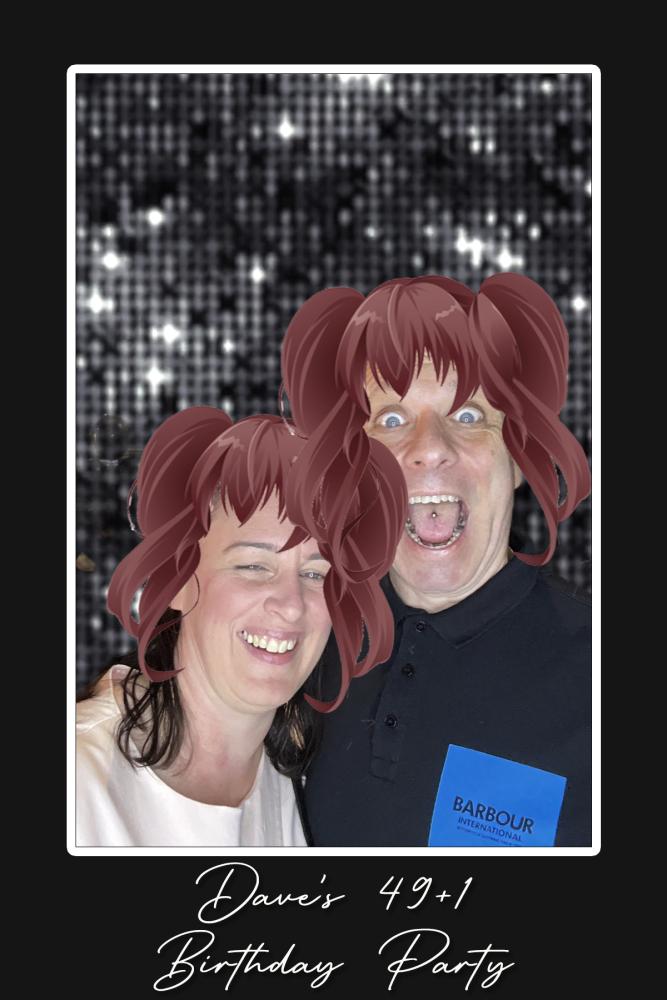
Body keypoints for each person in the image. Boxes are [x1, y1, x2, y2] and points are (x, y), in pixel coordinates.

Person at [281, 272, 592, 847]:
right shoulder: (307, 632)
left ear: (519, 458)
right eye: (391, 420)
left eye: (469, 415)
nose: (428, 448)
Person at [76, 408, 405, 847]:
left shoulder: (295, 783)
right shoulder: (79, 783)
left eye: (315, 573)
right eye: (253, 566)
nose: (291, 605)